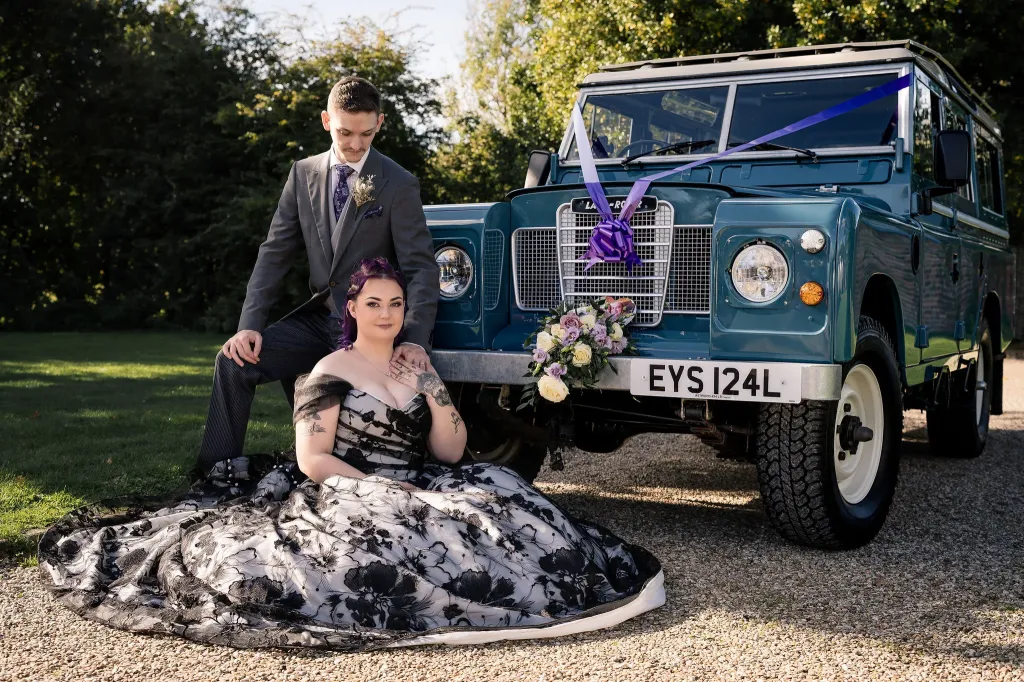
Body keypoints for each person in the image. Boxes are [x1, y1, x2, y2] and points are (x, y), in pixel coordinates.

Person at [38, 259, 664, 651]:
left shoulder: (415, 363)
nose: (388, 314)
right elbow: (312, 460)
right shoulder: (329, 368)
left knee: (503, 503)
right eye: (375, 304)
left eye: (396, 304)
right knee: (391, 534)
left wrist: (431, 389)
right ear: (353, 310)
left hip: (422, 475)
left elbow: (450, 450)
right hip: (346, 483)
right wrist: (379, 487)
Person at [194, 76, 439, 476]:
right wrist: (249, 326)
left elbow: (420, 268)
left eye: (366, 133)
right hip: (317, 319)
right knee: (234, 361)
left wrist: (411, 339)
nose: (356, 144)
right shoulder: (302, 173)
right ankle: (216, 475)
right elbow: (274, 252)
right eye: (345, 132)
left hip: (367, 331)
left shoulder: (398, 183)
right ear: (327, 121)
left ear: (380, 123)